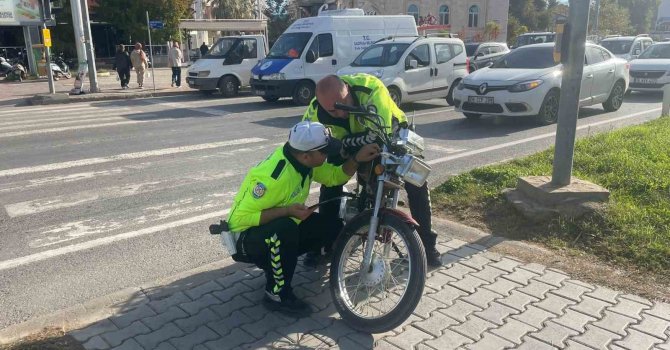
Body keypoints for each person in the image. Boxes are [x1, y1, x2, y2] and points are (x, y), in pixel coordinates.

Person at [226, 121, 380, 316]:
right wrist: (288, 211)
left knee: (332, 227)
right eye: (324, 152)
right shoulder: (273, 178)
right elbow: (238, 220)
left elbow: (334, 177)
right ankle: (276, 295)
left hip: (278, 225)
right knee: (284, 230)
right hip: (246, 240)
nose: (327, 155)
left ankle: (279, 264)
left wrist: (357, 159)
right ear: (307, 155)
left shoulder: (304, 161)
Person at [302, 73, 443, 268]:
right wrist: (343, 150)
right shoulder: (315, 108)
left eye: (344, 105)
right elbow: (306, 142)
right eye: (333, 112)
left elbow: (379, 136)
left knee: (415, 176)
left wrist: (343, 145)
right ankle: (327, 242)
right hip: (350, 143)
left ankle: (427, 246)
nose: (341, 114)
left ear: (348, 90)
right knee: (330, 181)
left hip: (389, 134)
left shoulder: (371, 89)